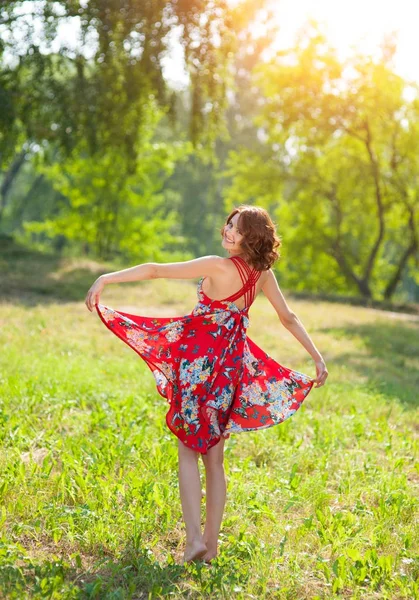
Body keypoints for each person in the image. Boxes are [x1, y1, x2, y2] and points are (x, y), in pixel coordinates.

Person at [85, 205, 328, 564]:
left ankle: (195, 541)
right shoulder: (261, 275)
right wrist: (317, 357)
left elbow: (155, 270)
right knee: (215, 458)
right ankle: (210, 548)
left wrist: (106, 277)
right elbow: (287, 317)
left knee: (188, 450)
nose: (228, 232)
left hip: (197, 362)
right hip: (229, 367)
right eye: (229, 225)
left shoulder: (217, 265)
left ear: (253, 236)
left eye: (238, 229)